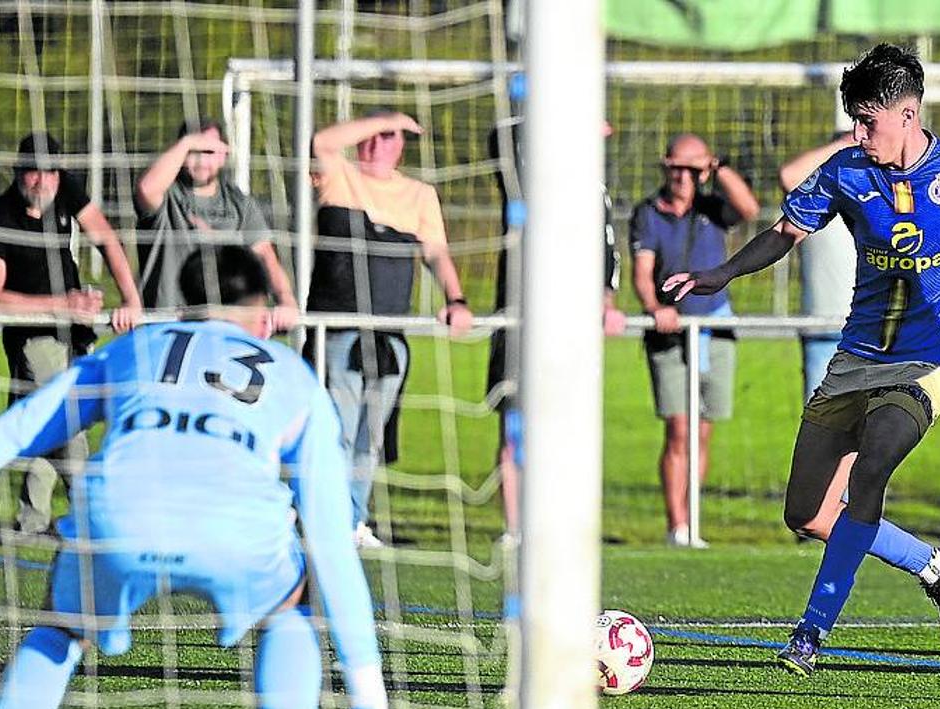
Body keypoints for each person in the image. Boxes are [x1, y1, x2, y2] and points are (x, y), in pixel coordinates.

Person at [663, 43, 940, 675]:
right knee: (808, 513)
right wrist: (723, 273)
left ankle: (810, 634)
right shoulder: (848, 171)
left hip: (930, 363)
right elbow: (785, 233)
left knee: (871, 469)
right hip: (857, 358)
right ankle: (935, 565)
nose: (857, 132)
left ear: (908, 113)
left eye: (867, 120)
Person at [0, 245, 395, 709]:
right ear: (260, 314)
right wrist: (369, 696)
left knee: (62, 626)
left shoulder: (133, 347)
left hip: (118, 518)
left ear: (182, 305)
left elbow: (21, 429)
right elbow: (331, 540)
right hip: (235, 533)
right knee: (290, 603)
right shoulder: (295, 376)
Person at [309, 111, 473, 548]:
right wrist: (386, 117)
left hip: (389, 338)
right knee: (335, 431)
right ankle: (322, 518)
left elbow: (436, 252)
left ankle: (351, 522)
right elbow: (323, 140)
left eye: (390, 137)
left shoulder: (418, 195)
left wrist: (456, 300)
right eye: (373, 135)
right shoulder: (339, 177)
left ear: (402, 145)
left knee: (371, 438)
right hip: (339, 329)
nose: (378, 144)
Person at [0, 132, 141, 535]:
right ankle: (92, 513)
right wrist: (61, 304)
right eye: (32, 173)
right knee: (64, 420)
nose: (42, 182)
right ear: (19, 174)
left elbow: (104, 236)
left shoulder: (66, 189)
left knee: (42, 423)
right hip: (34, 335)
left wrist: (131, 299)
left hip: (75, 329)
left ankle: (31, 520)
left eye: (49, 172)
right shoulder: (0, 217)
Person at [486, 115, 626, 541]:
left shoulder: (593, 189)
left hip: (572, 332)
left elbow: (607, 249)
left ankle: (563, 525)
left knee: (567, 428)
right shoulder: (529, 178)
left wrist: (606, 299)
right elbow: (502, 135)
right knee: (516, 424)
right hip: (523, 323)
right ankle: (516, 530)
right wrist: (558, 106)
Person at [631, 132, 760, 547]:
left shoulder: (711, 208)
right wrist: (656, 308)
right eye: (677, 168)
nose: (684, 177)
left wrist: (717, 167)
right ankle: (677, 525)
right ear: (665, 168)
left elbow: (749, 208)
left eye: (693, 169)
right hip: (671, 333)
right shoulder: (648, 214)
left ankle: (693, 519)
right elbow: (641, 272)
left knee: (703, 431)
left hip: (714, 326)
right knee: (678, 429)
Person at [135, 117, 298, 329]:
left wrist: (286, 300)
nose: (201, 161)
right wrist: (186, 143)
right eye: (194, 151)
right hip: (169, 327)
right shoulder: (167, 195)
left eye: (209, 151)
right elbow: (146, 189)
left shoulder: (240, 204)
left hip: (224, 329)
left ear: (223, 155)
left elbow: (266, 256)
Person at [778, 132, 857, 401]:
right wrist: (843, 144)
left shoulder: (872, 198)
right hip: (823, 330)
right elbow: (789, 176)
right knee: (823, 430)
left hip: (872, 333)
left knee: (871, 435)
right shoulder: (816, 204)